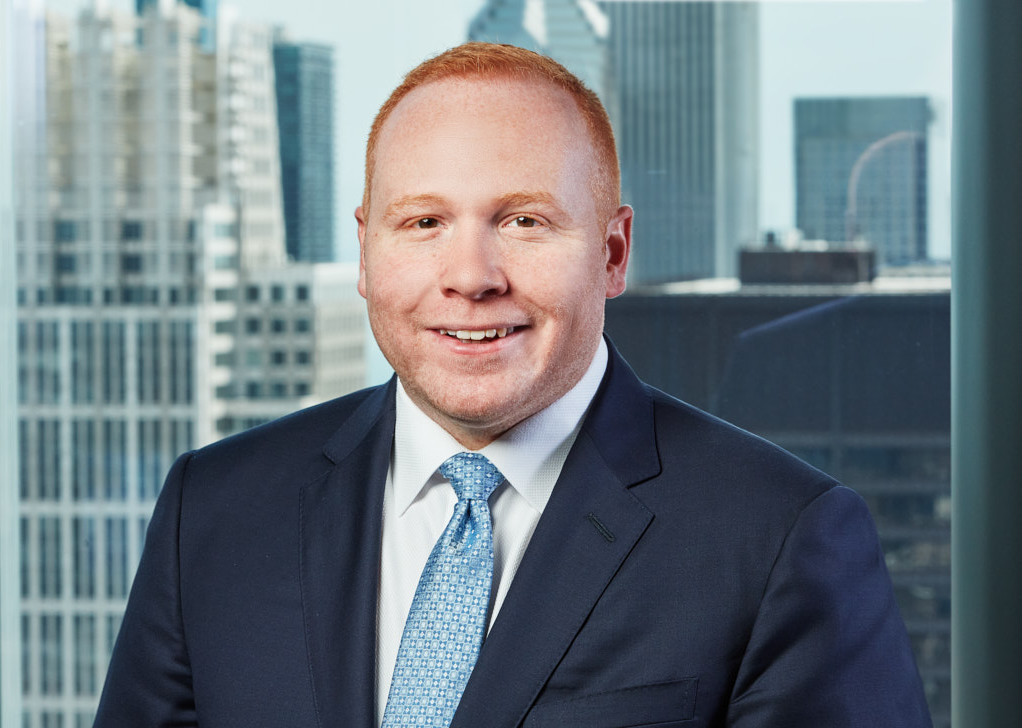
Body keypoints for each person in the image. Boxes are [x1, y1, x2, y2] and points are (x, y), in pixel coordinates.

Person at [94, 42, 932, 727]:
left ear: (612, 253)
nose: (470, 277)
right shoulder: (216, 510)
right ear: (365, 251)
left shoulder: (780, 539)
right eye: (423, 222)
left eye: (524, 221)